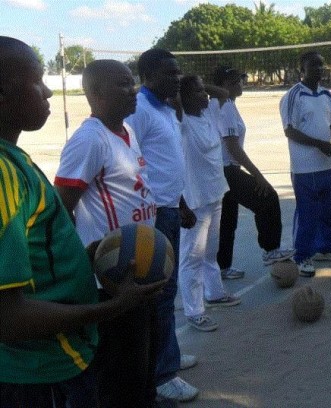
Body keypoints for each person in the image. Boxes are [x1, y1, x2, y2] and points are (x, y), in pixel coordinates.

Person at [0, 36, 163, 408]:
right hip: (39, 373)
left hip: (50, 365)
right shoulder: (3, 173)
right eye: (38, 80)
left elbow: (38, 243)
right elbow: (7, 316)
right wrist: (111, 308)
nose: (48, 92)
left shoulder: (14, 159)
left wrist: (84, 255)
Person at [53, 59, 161, 407]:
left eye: (132, 83)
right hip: (112, 279)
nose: (132, 91)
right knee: (117, 373)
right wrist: (87, 257)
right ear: (96, 93)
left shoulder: (125, 133)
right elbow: (60, 206)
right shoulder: (89, 140)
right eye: (122, 84)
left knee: (141, 362)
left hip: (140, 267)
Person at [125, 48, 199, 403]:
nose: (178, 77)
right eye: (171, 72)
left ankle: (168, 353)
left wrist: (181, 202)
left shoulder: (166, 107)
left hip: (170, 208)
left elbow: (167, 163)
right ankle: (161, 374)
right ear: (149, 74)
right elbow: (133, 164)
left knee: (167, 295)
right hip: (152, 215)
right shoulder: (138, 110)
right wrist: (153, 209)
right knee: (159, 295)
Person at [212, 66, 294, 279]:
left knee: (228, 219)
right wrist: (257, 174)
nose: (242, 83)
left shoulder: (225, 105)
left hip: (223, 169)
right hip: (226, 169)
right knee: (267, 197)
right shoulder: (226, 106)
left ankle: (222, 267)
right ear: (226, 85)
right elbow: (232, 147)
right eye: (238, 80)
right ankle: (271, 250)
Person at [178, 75, 241, 332]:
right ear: (183, 98)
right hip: (196, 198)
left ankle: (214, 293)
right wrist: (184, 84)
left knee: (210, 251)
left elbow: (223, 94)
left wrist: (200, 87)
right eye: (196, 92)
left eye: (204, 90)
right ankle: (194, 310)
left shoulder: (209, 114)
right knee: (192, 256)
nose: (204, 95)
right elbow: (174, 100)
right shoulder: (182, 121)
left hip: (216, 192)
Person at [279, 51, 331, 277]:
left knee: (329, 211)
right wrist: (319, 144)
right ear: (302, 70)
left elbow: (329, 126)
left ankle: (325, 248)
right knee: (307, 214)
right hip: (304, 168)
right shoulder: (293, 96)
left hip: (327, 164)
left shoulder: (327, 96)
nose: (319, 69)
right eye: (313, 66)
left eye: (321, 65)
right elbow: (290, 130)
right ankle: (302, 256)